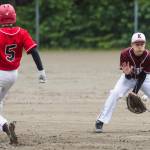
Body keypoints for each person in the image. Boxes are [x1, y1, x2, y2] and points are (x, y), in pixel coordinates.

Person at [0, 4, 46, 144]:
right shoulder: (22, 32)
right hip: (13, 75)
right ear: (14, 16)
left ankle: (4, 125)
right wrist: (41, 71)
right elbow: (34, 51)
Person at [95, 32, 150, 133]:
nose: (139, 46)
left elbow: (143, 75)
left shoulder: (148, 55)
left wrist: (135, 91)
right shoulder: (125, 54)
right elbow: (128, 76)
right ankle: (100, 120)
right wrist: (128, 74)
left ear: (145, 44)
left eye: (142, 44)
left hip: (144, 78)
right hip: (127, 79)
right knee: (115, 93)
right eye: (137, 44)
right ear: (132, 45)